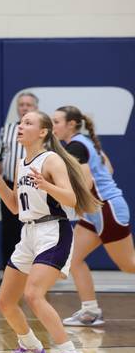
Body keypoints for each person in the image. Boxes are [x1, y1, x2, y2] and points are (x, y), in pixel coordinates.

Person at [0, 110, 100, 353]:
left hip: (52, 231)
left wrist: (47, 185)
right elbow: (13, 206)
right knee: (5, 301)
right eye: (21, 122)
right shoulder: (22, 162)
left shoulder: (51, 159)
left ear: (43, 132)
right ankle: (31, 348)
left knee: (33, 294)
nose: (21, 126)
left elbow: (71, 199)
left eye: (28, 123)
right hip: (28, 233)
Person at [52, 105, 134, 327]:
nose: (53, 126)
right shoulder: (85, 143)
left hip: (106, 209)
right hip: (96, 210)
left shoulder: (77, 146)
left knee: (129, 265)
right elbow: (109, 169)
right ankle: (90, 311)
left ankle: (90, 311)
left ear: (71, 124)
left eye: (57, 121)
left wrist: (74, 203)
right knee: (73, 259)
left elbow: (86, 179)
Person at [0, 92, 39, 278]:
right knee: (9, 231)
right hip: (9, 185)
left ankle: (34, 275)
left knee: (34, 230)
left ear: (35, 108)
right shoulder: (7, 129)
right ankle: (9, 275)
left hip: (34, 187)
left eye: (28, 105)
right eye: (21, 104)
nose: (24, 107)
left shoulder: (43, 132)